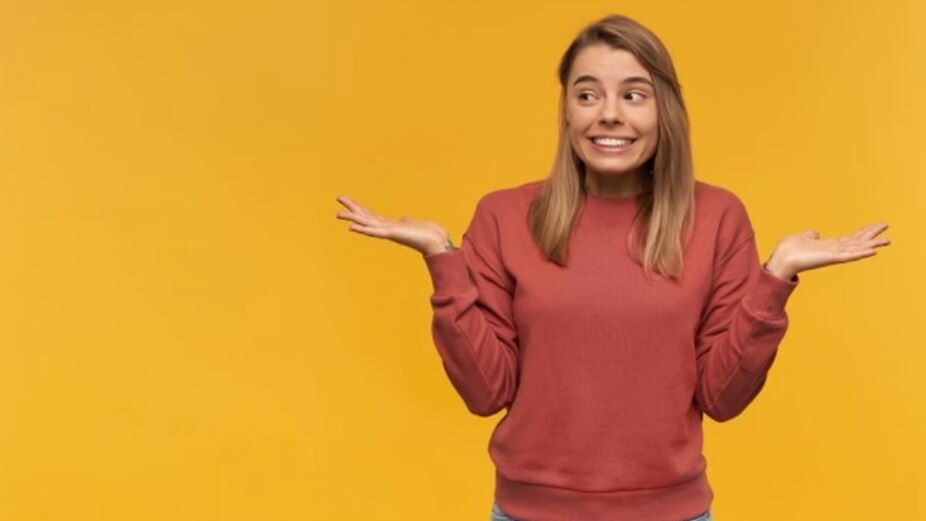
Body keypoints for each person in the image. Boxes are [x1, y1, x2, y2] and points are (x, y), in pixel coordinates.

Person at [334, 13, 890, 521]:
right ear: (567, 110)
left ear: (663, 109)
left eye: (634, 94)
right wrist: (443, 262)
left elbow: (724, 397)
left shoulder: (718, 217)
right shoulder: (504, 216)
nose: (610, 114)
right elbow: (485, 391)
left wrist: (777, 277)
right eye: (588, 94)